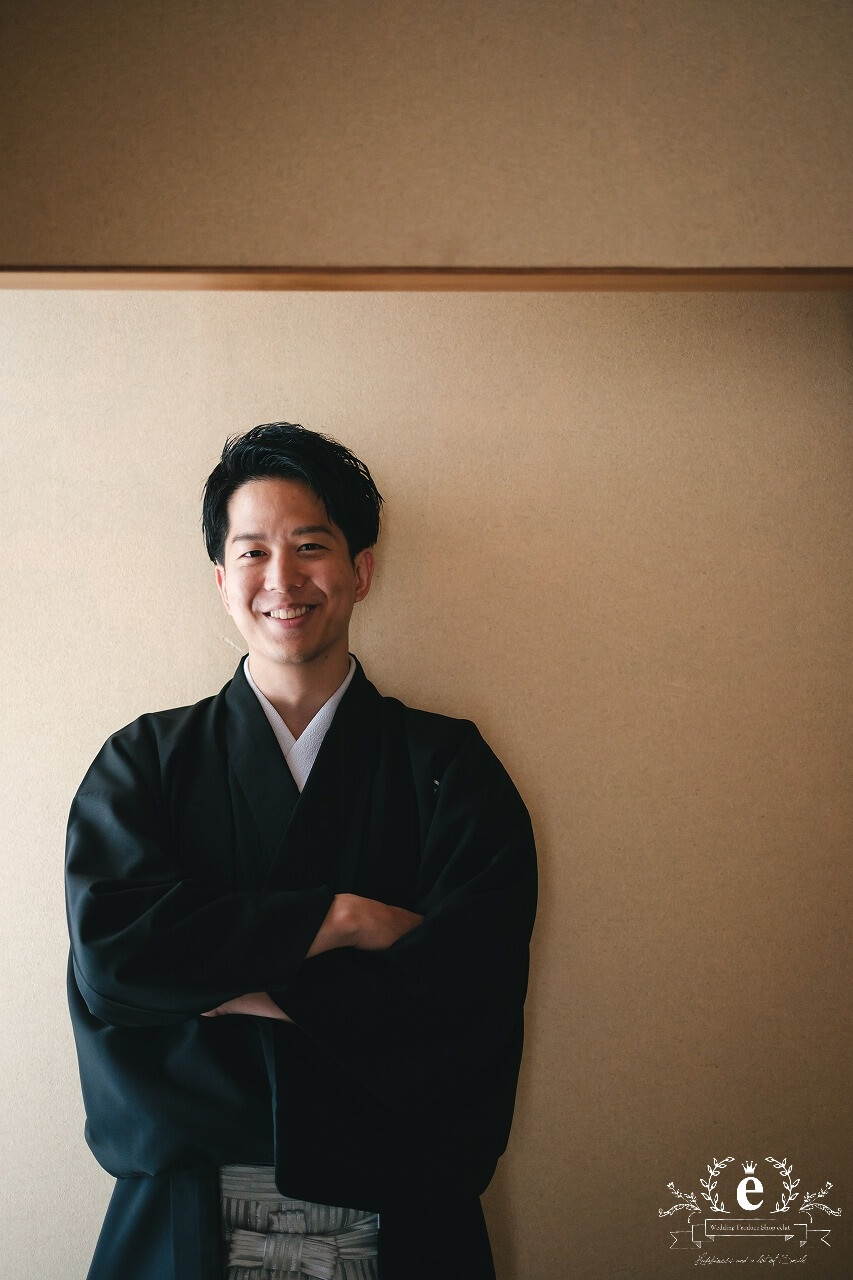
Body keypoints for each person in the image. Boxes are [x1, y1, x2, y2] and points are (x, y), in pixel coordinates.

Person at [66, 421, 538, 1280]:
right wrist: (342, 920)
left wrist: (234, 989)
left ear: (360, 569)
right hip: (185, 1214)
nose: (281, 579)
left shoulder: (447, 769)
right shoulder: (144, 763)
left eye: (310, 546)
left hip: (402, 1208)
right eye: (251, 553)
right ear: (220, 579)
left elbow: (471, 990)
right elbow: (116, 964)